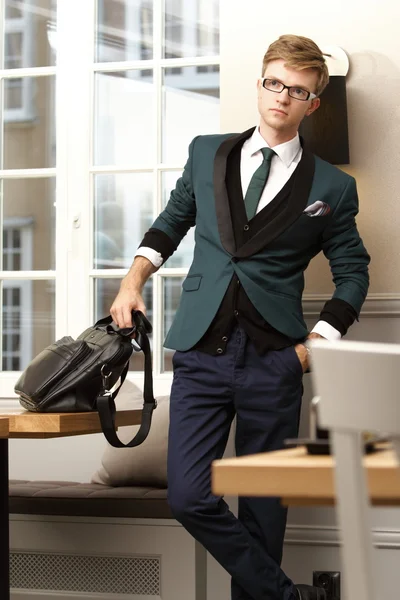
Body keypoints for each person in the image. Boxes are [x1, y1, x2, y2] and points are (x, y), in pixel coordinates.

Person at [110, 34, 370, 600]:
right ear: (260, 83)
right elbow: (169, 224)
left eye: (297, 90)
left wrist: (311, 350)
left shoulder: (333, 187)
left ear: (313, 103)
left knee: (263, 514)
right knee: (189, 495)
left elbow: (354, 273)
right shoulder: (208, 151)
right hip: (202, 351)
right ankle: (291, 596)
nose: (282, 96)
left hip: (275, 362)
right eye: (274, 83)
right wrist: (131, 282)